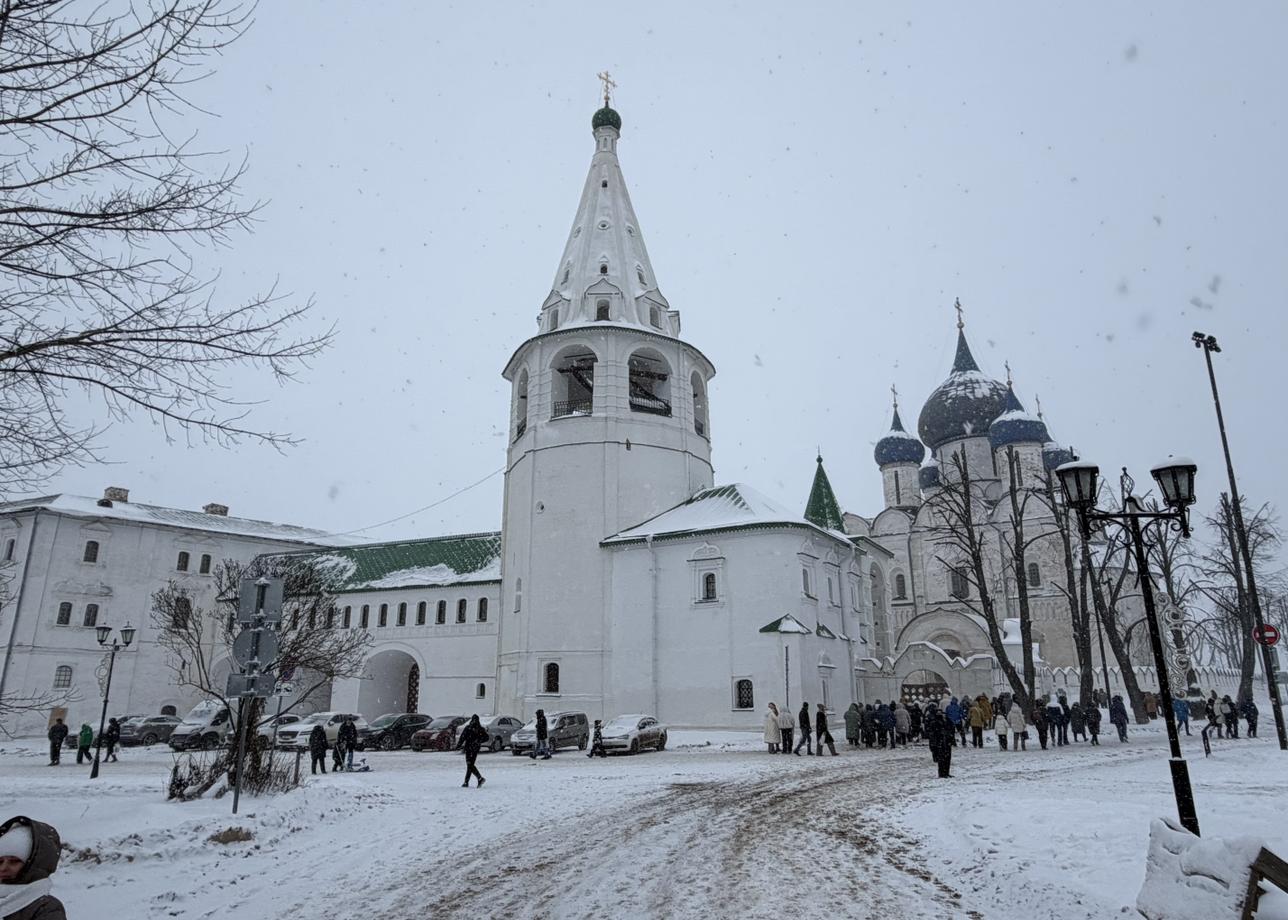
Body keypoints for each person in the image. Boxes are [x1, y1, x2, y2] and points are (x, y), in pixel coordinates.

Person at [0, 815, 67, 920]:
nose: (3, 868)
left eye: (14, 861)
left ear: (32, 864)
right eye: (0, 862)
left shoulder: (46, 908)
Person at [456, 714, 489, 788]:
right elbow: (486, 737)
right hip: (475, 749)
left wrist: (458, 745)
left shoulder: (469, 728)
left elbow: (462, 737)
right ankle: (466, 782)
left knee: (469, 765)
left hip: (469, 748)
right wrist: (479, 741)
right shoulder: (480, 729)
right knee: (470, 765)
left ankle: (479, 778)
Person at [925, 704, 952, 778]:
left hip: (944, 742)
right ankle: (943, 773)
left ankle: (945, 773)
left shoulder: (943, 721)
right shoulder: (935, 722)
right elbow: (932, 734)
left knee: (946, 759)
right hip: (941, 743)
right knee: (943, 759)